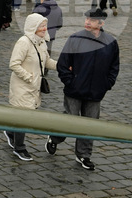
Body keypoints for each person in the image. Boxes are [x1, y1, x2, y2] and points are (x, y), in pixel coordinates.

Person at [47, 9, 120, 170]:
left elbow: (114, 67)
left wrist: (107, 84)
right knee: (70, 121)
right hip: (74, 90)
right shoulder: (75, 39)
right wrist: (70, 82)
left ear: (101, 23)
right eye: (87, 18)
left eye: (92, 20)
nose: (87, 21)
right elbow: (63, 64)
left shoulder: (110, 42)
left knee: (90, 125)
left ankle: (83, 155)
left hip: (95, 93)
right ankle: (54, 138)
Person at [4, 13, 58, 161]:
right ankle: (19, 148)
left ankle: (10, 131)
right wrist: (29, 77)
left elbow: (46, 61)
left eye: (44, 25)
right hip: (22, 86)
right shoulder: (23, 42)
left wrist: (61, 66)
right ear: (32, 27)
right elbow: (14, 64)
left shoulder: (41, 42)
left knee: (24, 116)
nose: (44, 28)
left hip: (33, 87)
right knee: (24, 117)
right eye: (41, 26)